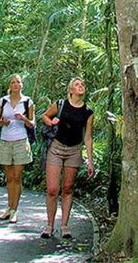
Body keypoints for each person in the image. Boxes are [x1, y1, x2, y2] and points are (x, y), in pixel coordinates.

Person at [40, 77, 94, 238]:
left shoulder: (88, 112)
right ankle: (49, 225)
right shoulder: (61, 104)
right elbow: (44, 116)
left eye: (82, 84)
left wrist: (90, 161)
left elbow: (88, 137)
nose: (80, 86)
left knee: (68, 188)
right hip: (56, 148)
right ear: (71, 90)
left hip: (74, 150)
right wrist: (51, 122)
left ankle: (64, 225)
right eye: (77, 85)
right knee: (52, 189)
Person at [0, 74, 35, 223]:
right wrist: (3, 122)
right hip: (5, 141)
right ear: (10, 85)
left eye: (18, 82)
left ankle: (15, 210)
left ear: (21, 85)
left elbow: (32, 123)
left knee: (17, 177)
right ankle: (9, 207)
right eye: (13, 82)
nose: (16, 84)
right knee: (9, 177)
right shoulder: (3, 101)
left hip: (21, 141)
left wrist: (23, 118)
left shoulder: (27, 102)